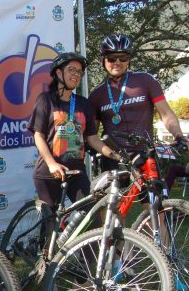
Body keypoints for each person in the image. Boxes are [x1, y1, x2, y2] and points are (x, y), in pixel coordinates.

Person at [88, 33, 189, 171]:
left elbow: (166, 114)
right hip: (113, 158)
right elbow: (92, 134)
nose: (117, 62)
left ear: (128, 60)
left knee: (154, 186)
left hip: (145, 155)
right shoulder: (96, 95)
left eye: (123, 58)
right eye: (111, 58)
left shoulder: (145, 81)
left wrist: (179, 136)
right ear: (103, 60)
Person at [29, 52, 121, 210]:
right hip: (49, 172)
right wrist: (51, 164)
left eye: (79, 72)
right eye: (72, 70)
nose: (76, 75)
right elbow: (39, 136)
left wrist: (114, 155)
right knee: (50, 219)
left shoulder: (83, 103)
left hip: (77, 173)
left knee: (91, 216)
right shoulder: (45, 100)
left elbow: (93, 139)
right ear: (59, 73)